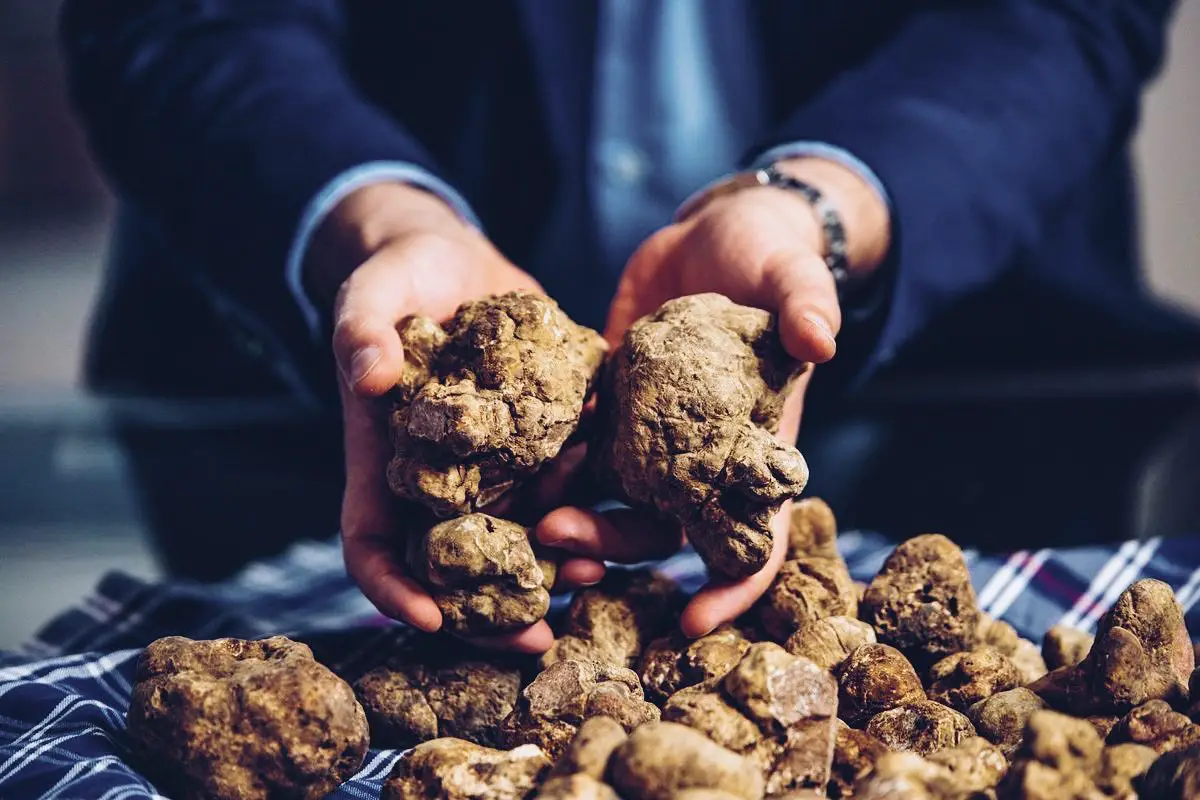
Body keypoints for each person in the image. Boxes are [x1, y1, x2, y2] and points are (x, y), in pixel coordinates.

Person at [59, 1, 1199, 651]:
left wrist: (820, 200)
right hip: (340, 393)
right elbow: (177, 21)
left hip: (964, 368)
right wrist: (376, 216)